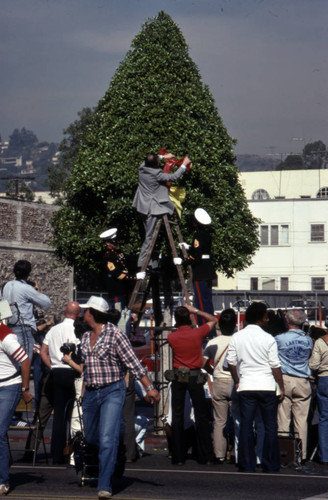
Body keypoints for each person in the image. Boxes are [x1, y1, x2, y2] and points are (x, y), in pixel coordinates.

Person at [79, 295, 160, 500]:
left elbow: (134, 363)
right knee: (90, 438)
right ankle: (116, 453)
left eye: (85, 310)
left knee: (107, 439)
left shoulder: (115, 335)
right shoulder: (86, 337)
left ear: (93, 314)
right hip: (90, 392)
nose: (83, 313)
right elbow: (86, 369)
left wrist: (149, 387)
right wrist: (82, 392)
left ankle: (104, 484)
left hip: (112, 391)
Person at [226, 302, 284, 473]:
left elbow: (231, 362)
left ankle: (246, 463)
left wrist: (237, 380)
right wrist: (280, 386)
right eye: (266, 316)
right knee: (269, 426)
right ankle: (270, 463)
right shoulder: (268, 338)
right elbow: (275, 365)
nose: (267, 319)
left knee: (246, 424)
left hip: (246, 385)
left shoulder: (238, 336)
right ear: (260, 318)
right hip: (266, 385)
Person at [167, 304, 218, 465]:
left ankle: (178, 456)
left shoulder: (171, 337)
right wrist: (195, 311)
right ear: (188, 318)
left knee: (177, 415)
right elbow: (213, 319)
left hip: (178, 376)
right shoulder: (197, 333)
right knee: (201, 415)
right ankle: (205, 455)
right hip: (195, 376)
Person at [132, 151, 191, 269]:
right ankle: (142, 263)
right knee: (149, 237)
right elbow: (173, 177)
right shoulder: (156, 174)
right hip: (152, 208)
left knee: (149, 235)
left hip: (142, 206)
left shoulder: (142, 168)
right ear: (155, 164)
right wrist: (184, 164)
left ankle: (150, 262)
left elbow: (147, 161)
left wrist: (163, 157)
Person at [40, 301, 81, 464]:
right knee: (74, 415)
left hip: (57, 372)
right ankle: (73, 452)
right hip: (72, 371)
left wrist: (52, 366)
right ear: (78, 314)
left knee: (59, 416)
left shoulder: (54, 329)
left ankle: (57, 454)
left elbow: (43, 351)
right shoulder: (76, 330)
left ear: (65, 312)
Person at [0, 321, 33, 496]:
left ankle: (2, 481)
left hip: (9, 387)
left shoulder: (5, 336)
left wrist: (25, 388)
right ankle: (4, 463)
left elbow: (25, 361)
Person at [275, 309, 313, 462]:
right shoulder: (308, 339)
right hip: (302, 380)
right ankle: (301, 454)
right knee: (301, 421)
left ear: (288, 321)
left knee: (283, 419)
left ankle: (284, 454)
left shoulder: (279, 338)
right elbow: (309, 356)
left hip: (285, 379)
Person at [203, 308, 236, 462]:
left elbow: (203, 363)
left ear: (220, 326)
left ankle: (219, 454)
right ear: (235, 324)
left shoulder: (213, 342)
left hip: (219, 382)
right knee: (238, 419)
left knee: (219, 421)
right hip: (236, 382)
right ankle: (238, 452)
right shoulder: (239, 340)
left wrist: (213, 370)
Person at [2, 260, 51, 359]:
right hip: (24, 328)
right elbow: (46, 303)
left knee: (15, 361)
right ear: (28, 273)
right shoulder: (26, 288)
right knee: (25, 361)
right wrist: (37, 291)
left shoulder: (6, 286)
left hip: (9, 327)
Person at [179, 208, 216, 335]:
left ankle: (204, 329)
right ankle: (211, 329)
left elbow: (197, 256)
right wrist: (189, 247)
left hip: (200, 271)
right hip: (208, 270)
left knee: (200, 303)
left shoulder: (198, 235)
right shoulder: (206, 234)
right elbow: (200, 250)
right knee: (208, 302)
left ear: (196, 223)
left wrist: (184, 261)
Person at [100, 228, 145, 311]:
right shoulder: (107, 258)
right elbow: (118, 275)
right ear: (107, 243)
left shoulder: (118, 253)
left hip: (125, 290)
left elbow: (130, 258)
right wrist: (134, 276)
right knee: (119, 315)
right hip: (117, 292)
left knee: (126, 314)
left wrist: (144, 257)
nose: (115, 244)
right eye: (113, 242)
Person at [309, 330, 328, 464]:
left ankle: (325, 456)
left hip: (324, 378)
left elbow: (314, 364)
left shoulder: (320, 342)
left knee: (324, 418)